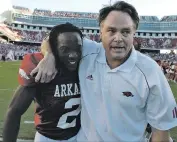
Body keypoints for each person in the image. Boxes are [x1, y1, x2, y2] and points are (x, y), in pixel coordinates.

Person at [30, 1, 177, 141]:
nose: (118, 38)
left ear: (134, 33)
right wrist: (49, 55)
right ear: (101, 31)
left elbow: (161, 132)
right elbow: (52, 38)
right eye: (111, 30)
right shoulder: (87, 51)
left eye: (125, 32)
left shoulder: (150, 72)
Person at [2, 23, 83, 142]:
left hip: (78, 136)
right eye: (65, 50)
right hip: (47, 138)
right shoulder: (41, 68)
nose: (73, 55)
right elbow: (14, 112)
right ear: (55, 49)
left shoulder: (86, 62)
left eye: (77, 49)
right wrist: (49, 55)